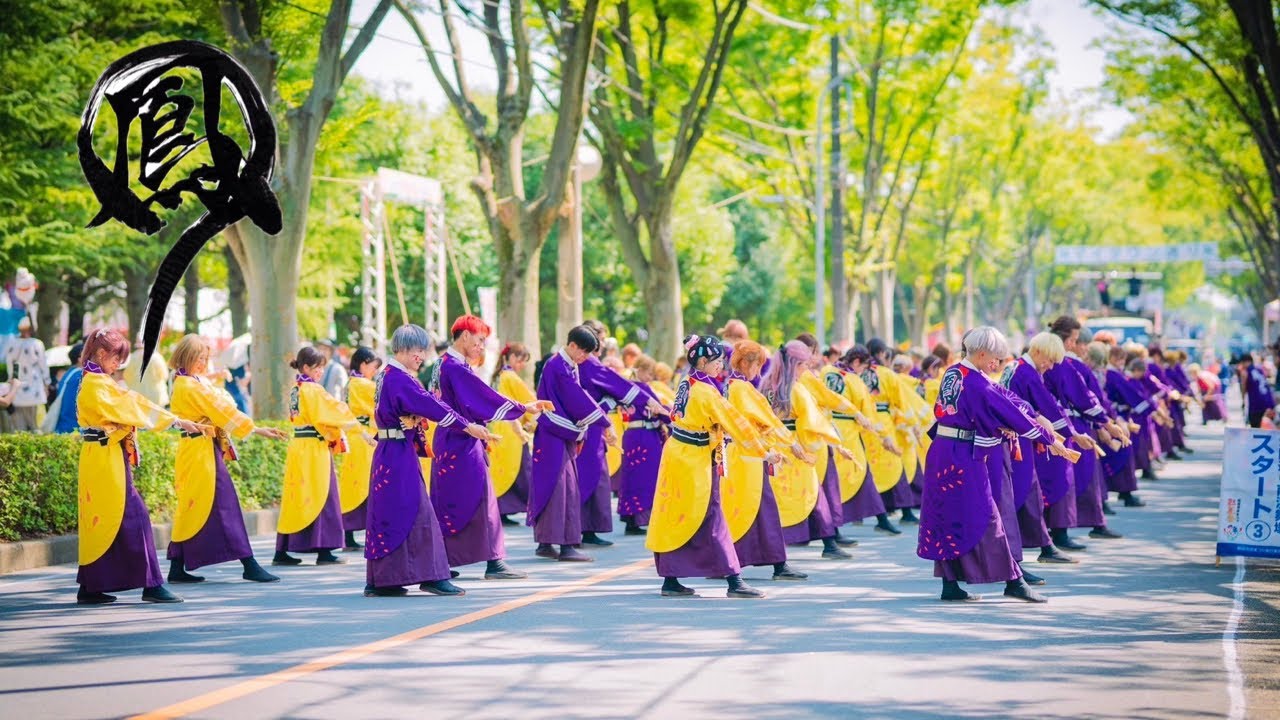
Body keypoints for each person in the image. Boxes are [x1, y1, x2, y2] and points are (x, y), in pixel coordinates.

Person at [918, 327, 1069, 603]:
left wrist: (1034, 415)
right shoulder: (978, 383)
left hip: (943, 451)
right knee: (988, 515)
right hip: (962, 455)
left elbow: (1005, 397)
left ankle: (950, 584)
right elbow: (1009, 410)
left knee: (949, 515)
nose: (998, 364)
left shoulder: (956, 372)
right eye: (996, 359)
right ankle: (1014, 580)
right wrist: (1047, 437)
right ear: (983, 353)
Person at [75, 328, 208, 604]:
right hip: (103, 458)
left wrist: (173, 419)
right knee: (134, 517)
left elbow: (131, 402)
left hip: (102, 456)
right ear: (101, 354)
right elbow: (130, 406)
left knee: (104, 522)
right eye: (115, 357)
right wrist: (175, 420)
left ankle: (91, 586)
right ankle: (151, 585)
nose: (118, 364)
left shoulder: (95, 379)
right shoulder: (96, 383)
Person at [647, 335, 778, 598]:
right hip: (693, 458)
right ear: (704, 361)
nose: (721, 366)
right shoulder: (707, 390)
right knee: (713, 515)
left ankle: (671, 579)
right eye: (718, 361)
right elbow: (736, 423)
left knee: (675, 512)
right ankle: (734, 580)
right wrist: (764, 452)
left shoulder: (687, 380)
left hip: (677, 452)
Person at [364, 324, 476, 597]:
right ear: (401, 348)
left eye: (423, 350)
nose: (421, 356)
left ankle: (384, 579)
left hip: (390, 451)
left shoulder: (387, 375)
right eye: (417, 350)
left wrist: (414, 419)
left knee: (390, 513)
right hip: (397, 453)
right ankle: (433, 576)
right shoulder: (399, 379)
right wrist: (467, 425)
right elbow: (431, 405)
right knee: (419, 511)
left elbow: (416, 408)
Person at [166, 334, 287, 585]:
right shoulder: (189, 385)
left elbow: (217, 404)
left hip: (200, 450)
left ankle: (178, 565)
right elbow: (220, 409)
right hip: (200, 452)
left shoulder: (187, 381)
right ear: (188, 357)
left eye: (205, 358)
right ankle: (248, 563)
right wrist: (256, 428)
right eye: (200, 358)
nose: (203, 362)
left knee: (192, 507)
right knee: (223, 504)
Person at [430, 315, 537, 580]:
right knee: (483, 498)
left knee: (450, 501)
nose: (481, 347)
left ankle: (446, 559)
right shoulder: (456, 367)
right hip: (461, 440)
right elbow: (482, 398)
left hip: (451, 438)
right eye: (479, 340)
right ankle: (494, 560)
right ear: (465, 335)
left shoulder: (442, 364)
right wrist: (522, 408)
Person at [529, 326, 616, 562]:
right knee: (563, 489)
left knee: (554, 487)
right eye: (584, 352)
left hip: (555, 434)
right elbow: (577, 398)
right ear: (573, 345)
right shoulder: (559, 367)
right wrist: (604, 421)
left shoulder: (566, 365)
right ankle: (566, 545)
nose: (585, 357)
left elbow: (578, 398)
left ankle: (546, 542)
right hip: (554, 434)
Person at [723, 341, 809, 580]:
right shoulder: (742, 389)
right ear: (746, 363)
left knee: (745, 508)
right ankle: (776, 565)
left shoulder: (729, 386)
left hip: (737, 454)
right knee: (763, 507)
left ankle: (736, 560)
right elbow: (768, 420)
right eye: (757, 364)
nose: (759, 370)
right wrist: (790, 443)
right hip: (748, 455)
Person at [576, 320, 666, 547]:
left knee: (595, 478)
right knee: (590, 477)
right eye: (601, 338)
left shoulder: (583, 364)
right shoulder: (588, 364)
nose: (603, 344)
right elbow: (617, 387)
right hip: (589, 429)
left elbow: (609, 392)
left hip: (594, 427)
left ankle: (585, 530)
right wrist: (651, 404)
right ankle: (579, 531)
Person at [760, 340, 849, 559]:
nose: (806, 369)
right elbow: (812, 420)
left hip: (773, 448)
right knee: (815, 494)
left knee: (774, 499)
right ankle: (829, 544)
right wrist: (832, 441)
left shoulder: (765, 385)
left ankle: (775, 547)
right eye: (804, 365)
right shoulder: (796, 389)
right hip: (795, 447)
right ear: (794, 364)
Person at [274, 346, 360, 567]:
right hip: (313, 448)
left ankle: (282, 550)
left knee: (295, 498)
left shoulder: (296, 387)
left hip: (299, 446)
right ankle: (324, 551)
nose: (321, 371)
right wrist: (352, 425)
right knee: (324, 494)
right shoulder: (313, 389)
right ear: (305, 368)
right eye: (317, 367)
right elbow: (330, 413)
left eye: (322, 367)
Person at [1045, 317, 1124, 547]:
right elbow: (1089, 397)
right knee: (1067, 479)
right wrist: (1107, 422)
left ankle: (1061, 532)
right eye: (1078, 341)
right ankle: (1060, 533)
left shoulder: (1064, 364)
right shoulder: (1066, 365)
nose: (1080, 347)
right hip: (1068, 426)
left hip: (1059, 425)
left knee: (1070, 479)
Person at [1000, 333, 1077, 564]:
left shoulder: (1017, 367)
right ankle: (1011, 556)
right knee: (1017, 494)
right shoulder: (1026, 373)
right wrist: (1070, 433)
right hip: (1019, 441)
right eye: (1050, 360)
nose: (1050, 366)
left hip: (1020, 438)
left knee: (1030, 492)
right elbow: (1049, 409)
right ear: (1039, 352)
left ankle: (1045, 544)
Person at [617, 355, 672, 535]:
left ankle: (630, 518)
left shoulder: (625, 389)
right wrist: (673, 419)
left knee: (632, 478)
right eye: (648, 373)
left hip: (631, 435)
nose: (650, 377)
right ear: (639, 370)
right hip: (646, 437)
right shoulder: (642, 389)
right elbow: (658, 408)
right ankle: (643, 517)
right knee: (647, 478)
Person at [490, 343, 538, 527]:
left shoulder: (498, 377)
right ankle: (532, 509)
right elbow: (530, 402)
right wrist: (531, 422)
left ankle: (502, 509)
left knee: (503, 472)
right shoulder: (510, 377)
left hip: (498, 428)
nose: (521, 364)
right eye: (519, 359)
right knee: (522, 470)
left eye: (523, 361)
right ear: (509, 357)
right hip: (512, 431)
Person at [339, 346, 381, 551]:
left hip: (353, 436)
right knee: (369, 483)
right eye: (373, 367)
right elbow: (382, 402)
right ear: (364, 364)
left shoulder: (350, 383)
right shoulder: (364, 384)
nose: (374, 371)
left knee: (353, 486)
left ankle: (349, 534)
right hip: (364, 437)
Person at [3, 316, 49, 432]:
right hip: (34, 383)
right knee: (34, 422)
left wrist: (10, 378)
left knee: (19, 423)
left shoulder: (12, 343)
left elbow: (9, 363)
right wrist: (47, 382)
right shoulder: (37, 343)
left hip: (17, 383)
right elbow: (43, 365)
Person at [124, 338, 169, 408]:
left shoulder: (133, 357)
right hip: (156, 396)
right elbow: (164, 375)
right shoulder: (157, 357)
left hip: (137, 395)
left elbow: (126, 376)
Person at [52, 342, 85, 434]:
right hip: (74, 428)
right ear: (79, 359)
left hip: (63, 426)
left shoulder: (69, 373)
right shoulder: (80, 376)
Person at [1236, 353, 1276, 428]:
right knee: (1268, 428)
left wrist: (1243, 401)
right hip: (1269, 402)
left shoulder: (1245, 372)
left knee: (1256, 428)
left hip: (1256, 404)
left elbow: (1243, 388)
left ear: (1244, 362)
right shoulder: (1260, 369)